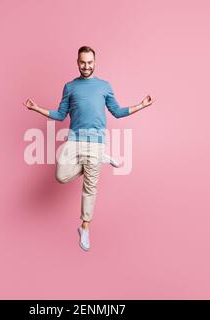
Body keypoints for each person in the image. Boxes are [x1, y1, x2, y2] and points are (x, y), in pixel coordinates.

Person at [23, 46, 155, 251]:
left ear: (95, 62)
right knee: (61, 176)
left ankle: (85, 227)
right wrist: (36, 108)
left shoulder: (104, 86)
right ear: (77, 62)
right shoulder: (70, 87)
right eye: (83, 62)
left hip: (96, 142)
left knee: (90, 187)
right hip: (74, 140)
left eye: (90, 62)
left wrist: (141, 105)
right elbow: (60, 115)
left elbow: (117, 112)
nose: (86, 66)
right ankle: (100, 159)